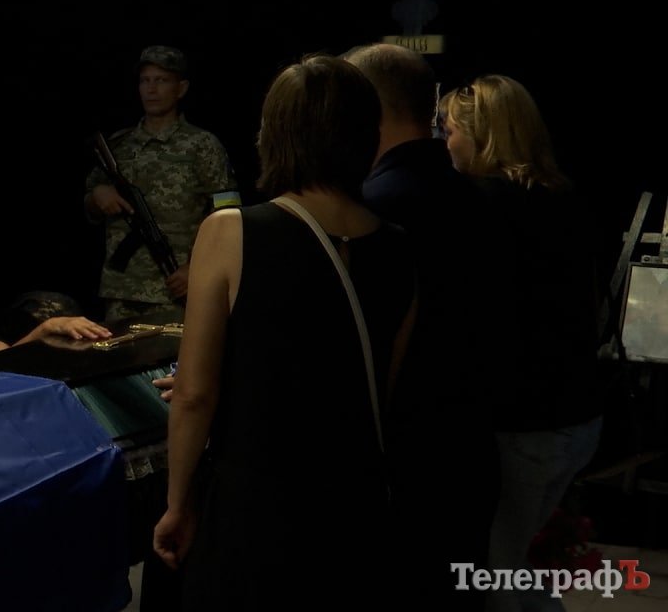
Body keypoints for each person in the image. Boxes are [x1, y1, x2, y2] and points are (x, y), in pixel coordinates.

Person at [153, 55, 417, 607]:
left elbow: (195, 393)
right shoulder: (401, 248)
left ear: (276, 134)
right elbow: (385, 390)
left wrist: (178, 503)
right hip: (357, 505)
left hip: (256, 504)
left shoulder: (231, 231)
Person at [438, 75, 603, 612]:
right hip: (576, 416)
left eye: (451, 131)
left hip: (525, 421)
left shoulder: (483, 205)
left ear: (481, 134)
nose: (446, 145)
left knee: (496, 576)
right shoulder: (561, 196)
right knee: (515, 569)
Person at [345, 43, 501, 609]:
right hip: (472, 450)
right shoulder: (481, 198)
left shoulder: (371, 211)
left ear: (365, 109)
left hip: (400, 462)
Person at [84, 45, 238, 323]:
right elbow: (89, 203)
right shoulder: (119, 145)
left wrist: (197, 268)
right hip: (122, 291)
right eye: (145, 80)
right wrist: (98, 195)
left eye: (161, 80)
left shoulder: (202, 145)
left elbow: (228, 215)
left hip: (177, 288)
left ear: (181, 88)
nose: (151, 89)